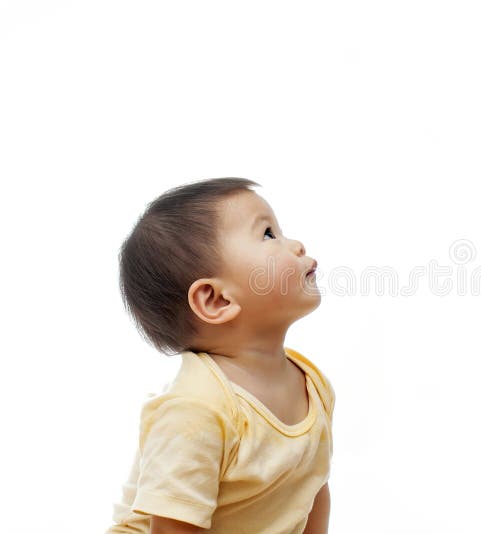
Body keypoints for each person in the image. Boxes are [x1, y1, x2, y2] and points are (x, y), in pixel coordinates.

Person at [106, 177, 334, 534]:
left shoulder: (312, 384)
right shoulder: (196, 409)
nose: (297, 245)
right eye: (269, 235)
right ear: (217, 300)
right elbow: (170, 528)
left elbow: (312, 488)